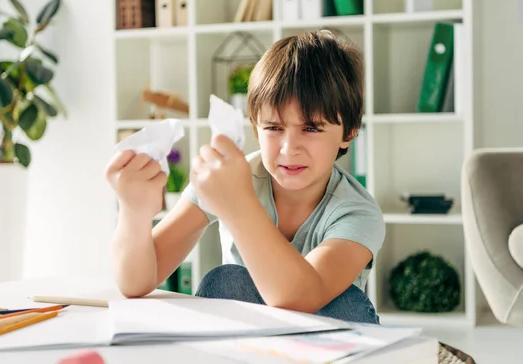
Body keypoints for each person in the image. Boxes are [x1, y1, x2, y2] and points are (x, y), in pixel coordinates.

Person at [106, 30, 385, 324]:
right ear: (255, 127)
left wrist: (238, 205)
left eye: (312, 128)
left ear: (349, 133)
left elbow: (301, 297)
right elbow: (135, 284)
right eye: (274, 128)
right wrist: (134, 212)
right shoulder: (230, 177)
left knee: (349, 303)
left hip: (326, 346)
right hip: (247, 341)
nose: (289, 149)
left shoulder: (358, 213)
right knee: (226, 280)